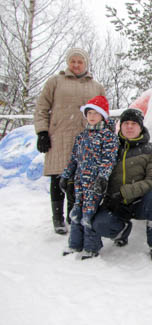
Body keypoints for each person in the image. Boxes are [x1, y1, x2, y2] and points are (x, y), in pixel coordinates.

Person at [34, 48, 105, 235]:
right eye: (72, 61)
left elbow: (103, 114)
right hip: (59, 136)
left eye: (79, 62)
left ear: (86, 64)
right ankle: (57, 219)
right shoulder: (55, 82)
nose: (76, 65)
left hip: (85, 139)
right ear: (68, 62)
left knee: (78, 179)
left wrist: (103, 137)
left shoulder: (96, 86)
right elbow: (41, 107)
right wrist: (42, 132)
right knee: (58, 177)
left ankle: (71, 216)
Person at [92, 108, 152, 262]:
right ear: (120, 126)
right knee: (100, 224)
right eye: (126, 123)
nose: (129, 127)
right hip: (114, 203)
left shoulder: (151, 150)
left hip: (140, 202)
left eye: (133, 123)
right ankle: (122, 230)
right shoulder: (110, 147)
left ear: (140, 127)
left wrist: (124, 193)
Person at [60, 96, 119, 259]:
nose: (92, 116)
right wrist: (66, 176)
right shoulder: (82, 136)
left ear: (103, 116)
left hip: (95, 183)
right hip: (80, 182)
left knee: (89, 214)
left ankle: (91, 247)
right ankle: (75, 244)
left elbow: (109, 159)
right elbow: (73, 159)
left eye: (96, 113)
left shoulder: (108, 137)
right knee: (76, 212)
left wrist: (102, 177)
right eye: (89, 113)